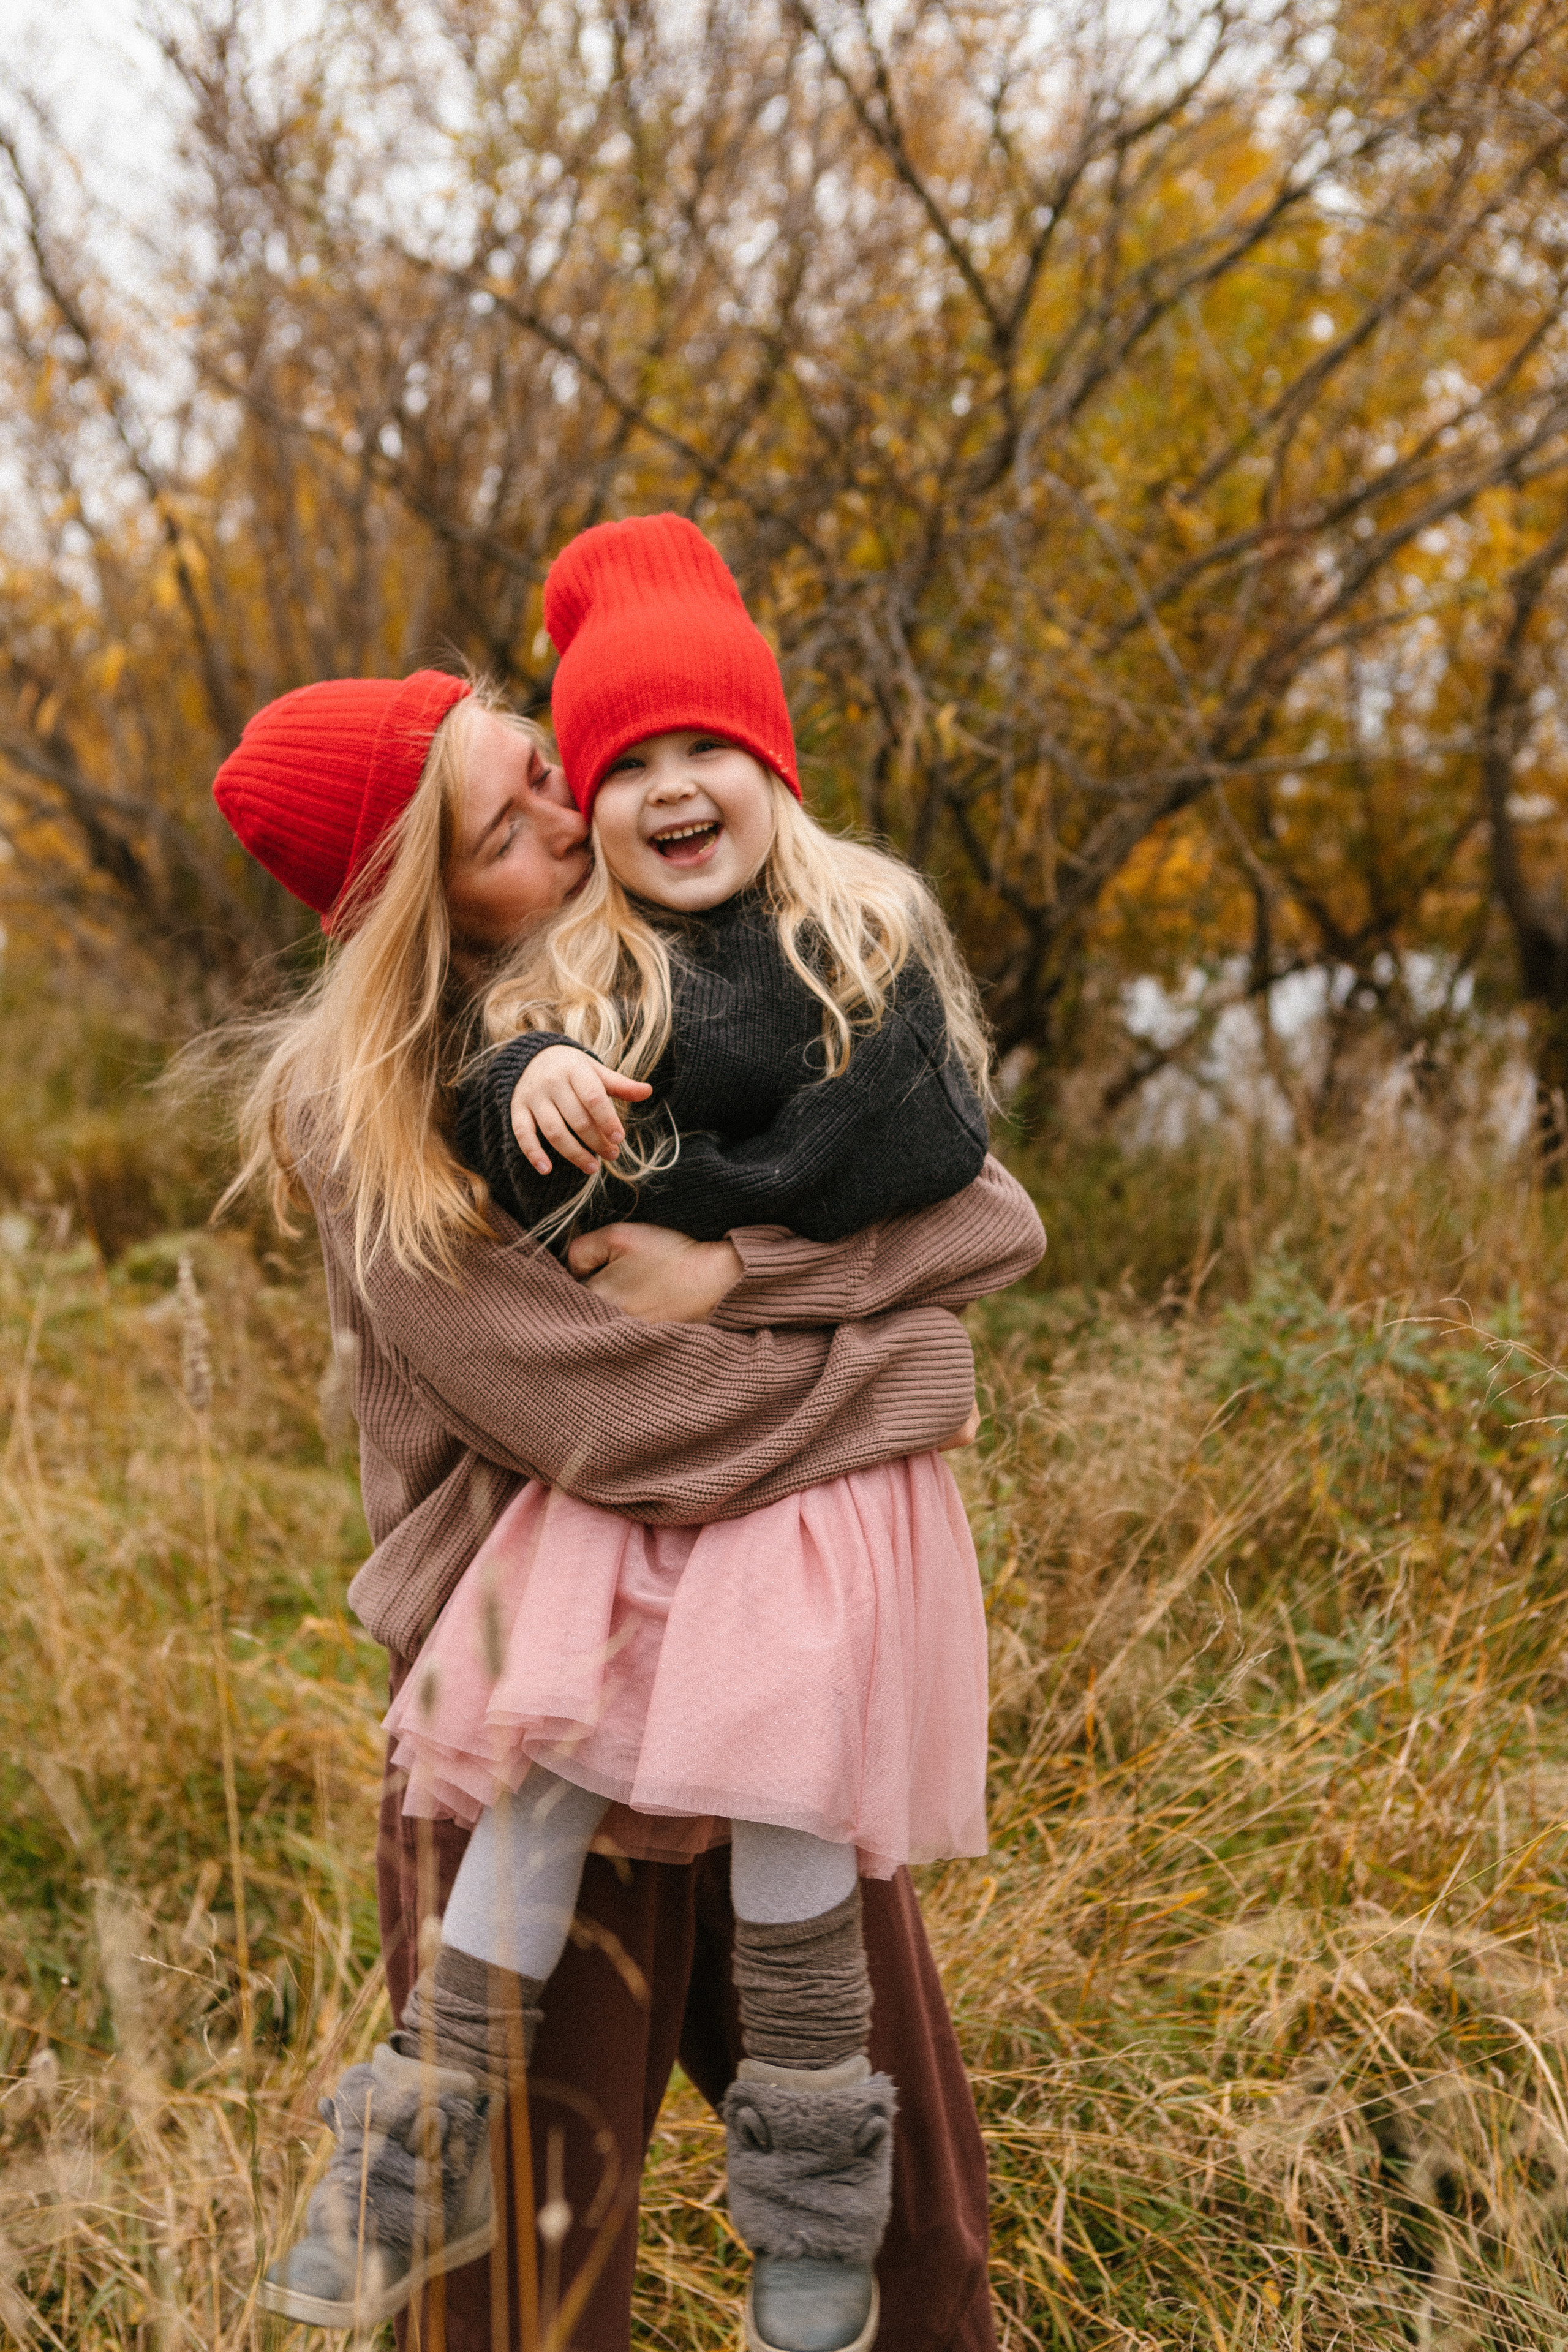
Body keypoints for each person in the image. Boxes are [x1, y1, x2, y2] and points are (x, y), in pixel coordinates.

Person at [210, 651, 1043, 2351]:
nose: (563, 808)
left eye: (537, 761)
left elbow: (984, 1215)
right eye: (497, 828)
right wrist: (902, 1370)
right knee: (522, 2274)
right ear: (419, 911)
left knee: (909, 2236)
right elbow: (634, 1429)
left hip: (775, 1673)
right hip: (537, 1708)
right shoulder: (385, 1121)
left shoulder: (723, 976)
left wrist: (734, 1267)